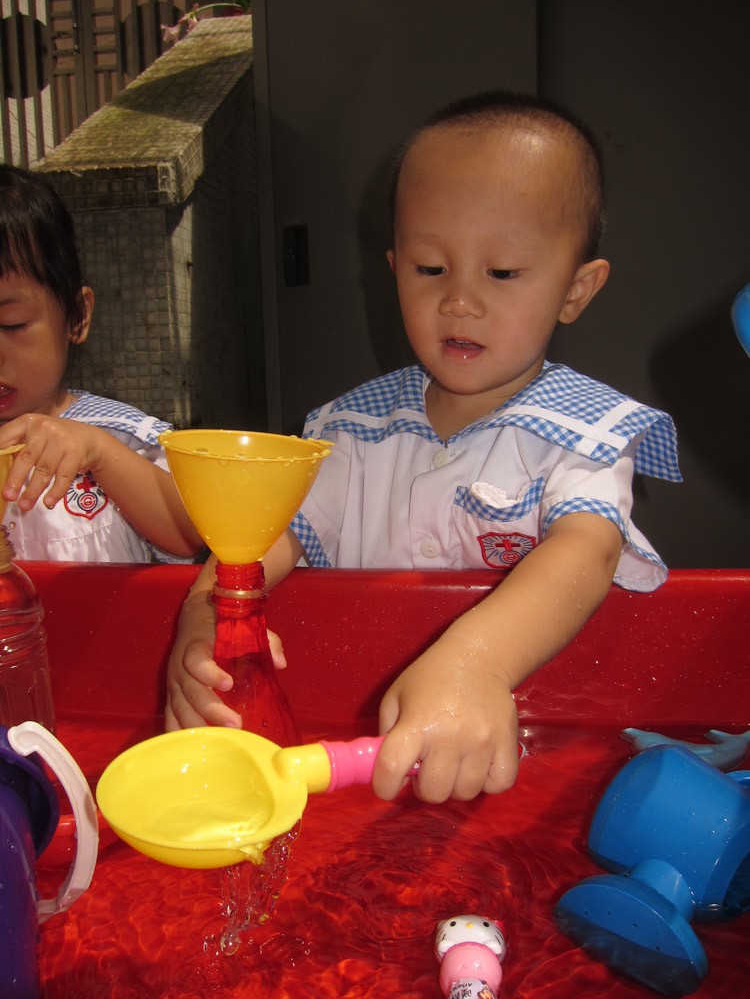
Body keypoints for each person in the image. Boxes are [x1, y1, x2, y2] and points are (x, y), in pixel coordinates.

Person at [165, 91, 681, 802]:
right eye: (431, 268)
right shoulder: (350, 432)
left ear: (576, 289)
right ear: (394, 266)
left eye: (502, 272)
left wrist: (478, 662)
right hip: (354, 754)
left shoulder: (583, 433)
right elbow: (259, 538)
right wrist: (204, 618)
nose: (459, 300)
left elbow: (586, 552)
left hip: (528, 752)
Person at [0, 164, 203, 562]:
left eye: (12, 324)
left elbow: (191, 535)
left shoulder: (117, 434)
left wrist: (100, 453)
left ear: (76, 316)